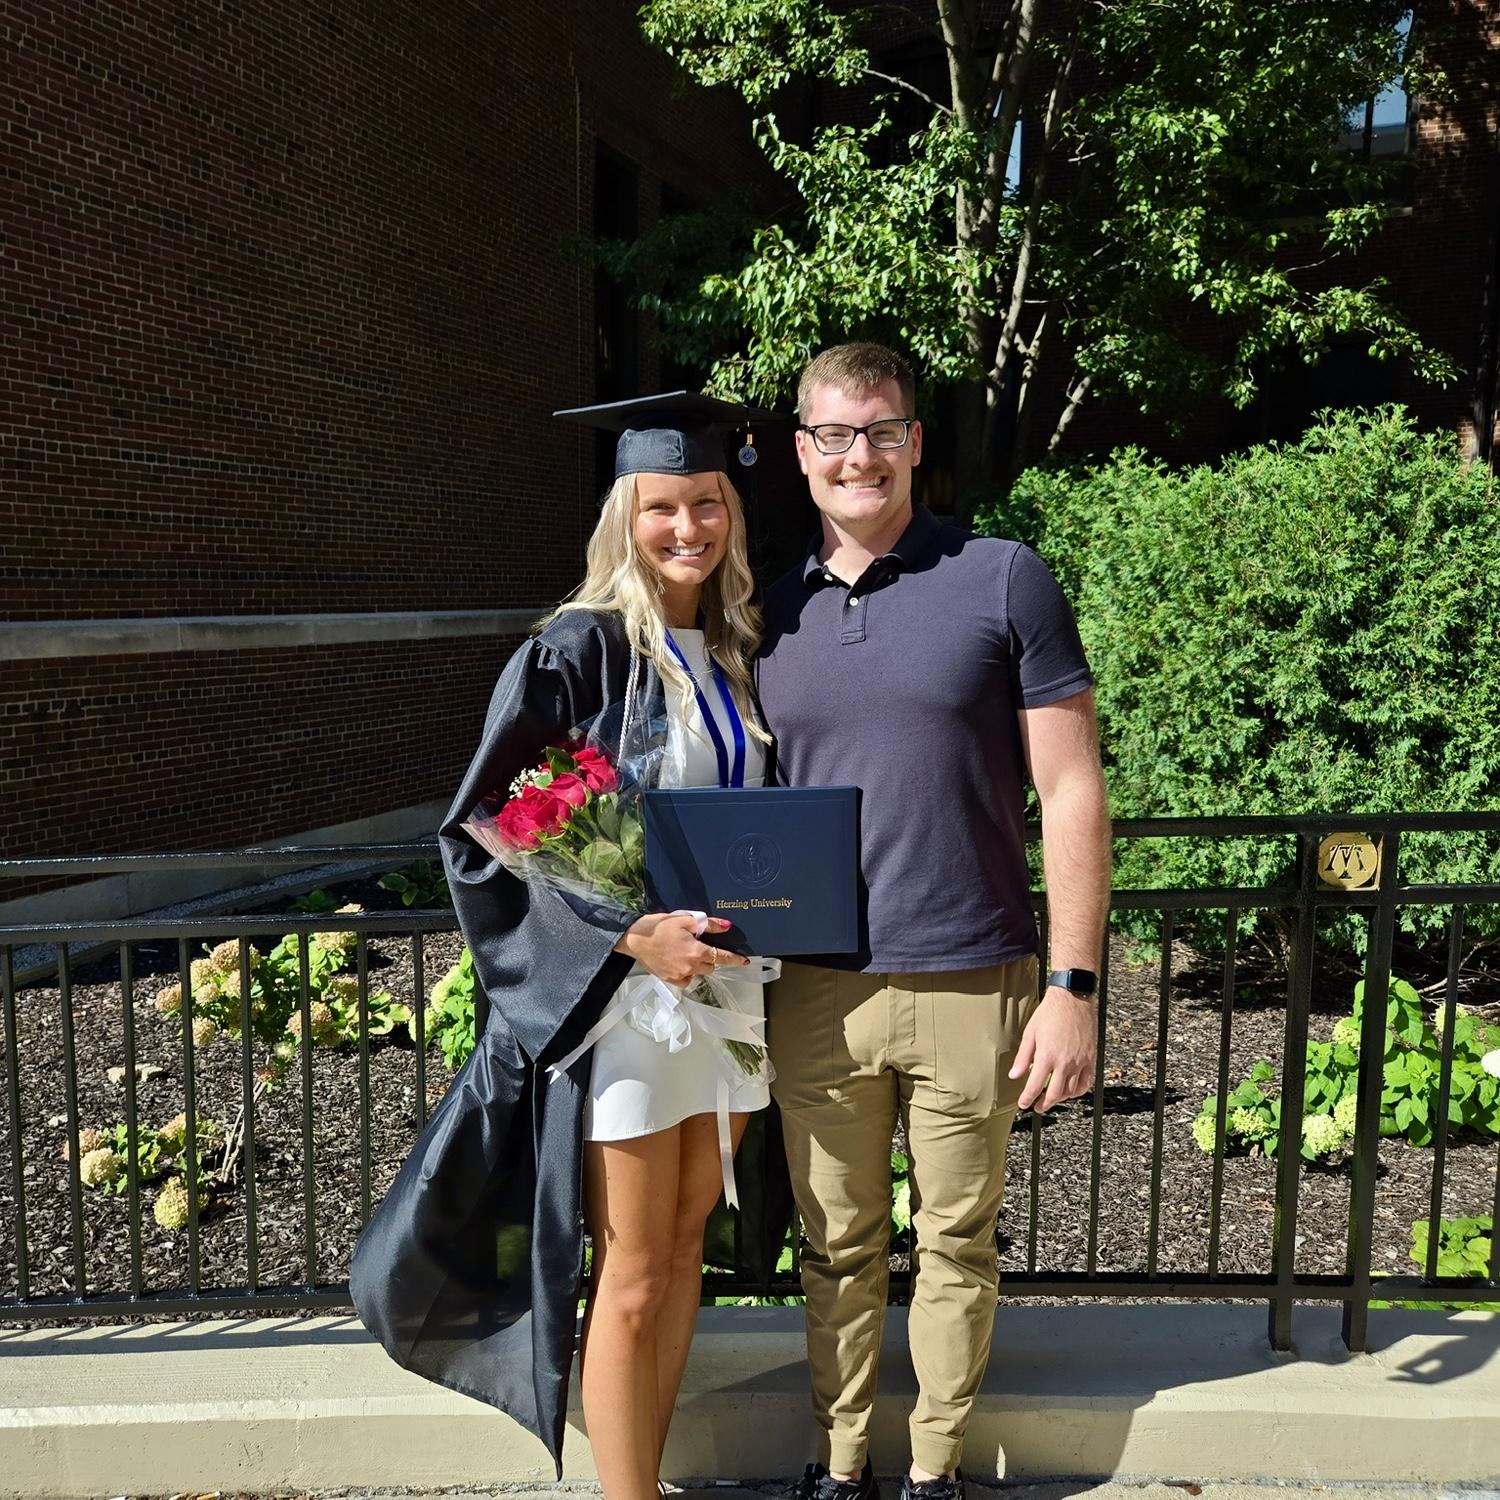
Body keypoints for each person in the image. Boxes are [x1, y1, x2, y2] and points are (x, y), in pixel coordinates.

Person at [350, 392, 786, 1499]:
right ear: (623, 516)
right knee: (632, 1270)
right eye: (662, 507)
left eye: (706, 504)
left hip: (730, 995)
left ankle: (644, 1472)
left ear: (731, 512)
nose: (687, 528)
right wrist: (629, 932)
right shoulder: (578, 648)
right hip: (628, 1005)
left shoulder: (734, 648)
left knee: (686, 1249)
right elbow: (487, 830)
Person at [756, 343, 1111, 1500]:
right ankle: (843, 1464)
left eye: (882, 431)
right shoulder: (761, 604)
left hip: (974, 974)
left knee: (957, 1245)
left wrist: (1073, 987)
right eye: (834, 435)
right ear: (801, 451)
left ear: (915, 442)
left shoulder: (1003, 577)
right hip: (815, 985)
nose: (859, 456)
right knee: (836, 1249)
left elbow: (1070, 789)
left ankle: (936, 1473)